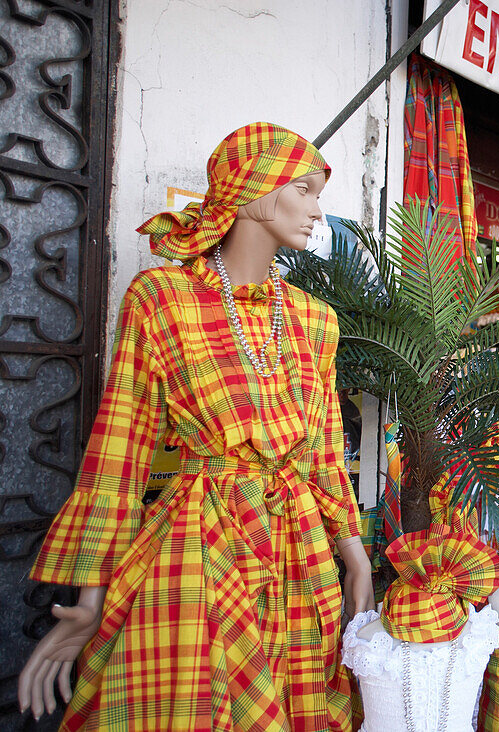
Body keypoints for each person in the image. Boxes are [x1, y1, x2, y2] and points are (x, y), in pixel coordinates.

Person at [18, 123, 372, 729]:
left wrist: (356, 555)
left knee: (296, 695)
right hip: (204, 539)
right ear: (259, 191)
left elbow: (321, 453)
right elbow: (119, 454)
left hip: (298, 549)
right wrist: (89, 596)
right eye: (306, 190)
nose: (318, 210)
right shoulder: (162, 298)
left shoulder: (316, 319)